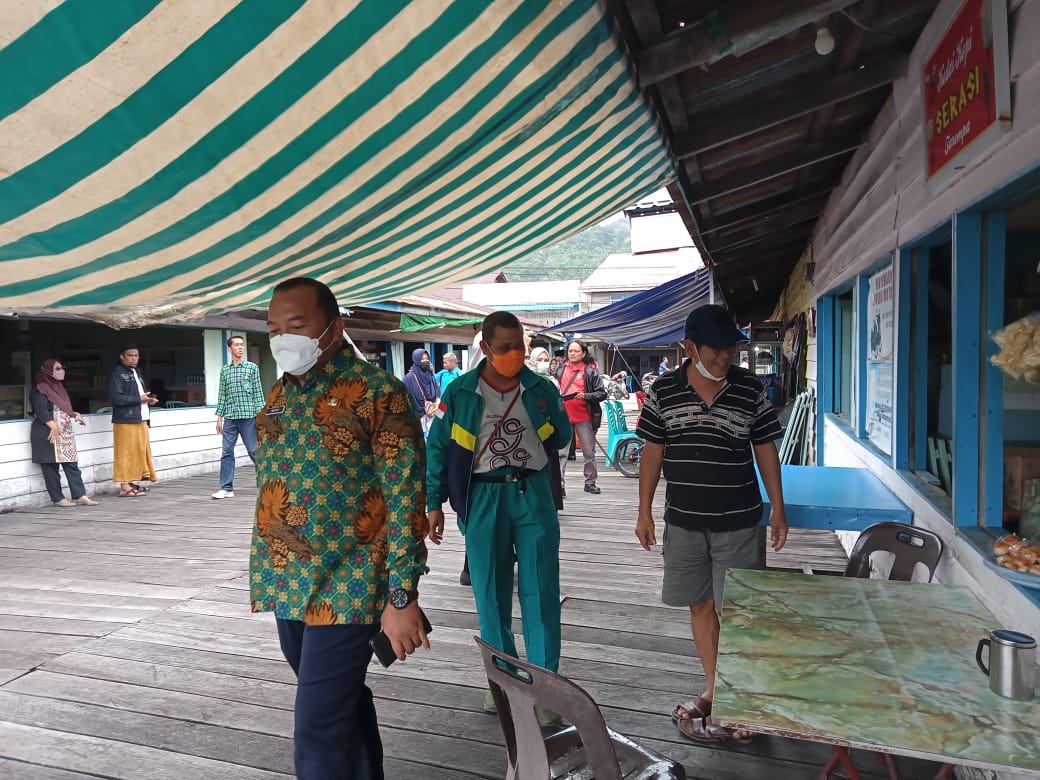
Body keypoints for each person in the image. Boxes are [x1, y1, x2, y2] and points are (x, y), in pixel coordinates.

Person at [250, 277, 430, 780]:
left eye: (296, 325)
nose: (283, 338)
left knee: (317, 726)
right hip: (287, 580)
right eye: (273, 329)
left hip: (351, 583)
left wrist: (402, 596)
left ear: (332, 327)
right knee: (340, 704)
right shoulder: (279, 393)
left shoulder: (380, 394)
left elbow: (405, 500)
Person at [634, 304, 787, 744]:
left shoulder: (750, 388)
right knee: (700, 606)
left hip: (738, 520)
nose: (726, 356)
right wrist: (644, 511)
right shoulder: (664, 390)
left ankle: (744, 700)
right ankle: (718, 691)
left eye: (731, 348)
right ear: (690, 348)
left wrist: (778, 507)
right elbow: (652, 453)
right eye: (716, 349)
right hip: (684, 521)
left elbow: (765, 448)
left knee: (740, 614)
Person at [425, 311, 571, 724]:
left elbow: (562, 436)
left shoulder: (541, 388)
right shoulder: (460, 393)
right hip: (482, 497)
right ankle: (505, 687)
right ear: (486, 348)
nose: (513, 354)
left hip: (532, 493)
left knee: (541, 592)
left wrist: (543, 417)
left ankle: (545, 691)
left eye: (519, 346)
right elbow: (437, 448)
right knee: (490, 594)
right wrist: (434, 502)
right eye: (504, 347)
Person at [30, 359, 97, 507]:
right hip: (48, 431)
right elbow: (41, 410)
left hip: (64, 432)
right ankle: (58, 498)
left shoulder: (59, 388)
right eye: (58, 368)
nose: (62, 371)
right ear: (48, 371)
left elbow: (62, 407)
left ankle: (80, 495)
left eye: (62, 368)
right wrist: (53, 427)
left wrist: (74, 414)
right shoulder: (39, 389)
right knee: (51, 467)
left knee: (71, 463)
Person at [212, 335, 265, 499]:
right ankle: (226, 488)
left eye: (242, 345)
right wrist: (219, 417)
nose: (240, 348)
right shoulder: (225, 371)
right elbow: (222, 394)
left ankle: (267, 483)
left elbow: (258, 393)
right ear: (229, 348)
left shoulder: (252, 368)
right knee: (227, 452)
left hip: (249, 416)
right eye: (236, 345)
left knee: (253, 451)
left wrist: (261, 416)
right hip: (230, 418)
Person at [553, 340, 607, 495]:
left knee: (589, 452)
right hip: (563, 417)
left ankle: (590, 482)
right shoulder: (560, 369)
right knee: (561, 453)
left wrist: (585, 396)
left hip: (585, 417)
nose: (573, 353)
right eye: (570, 351)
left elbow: (602, 393)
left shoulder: (590, 371)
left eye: (576, 351)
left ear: (583, 353)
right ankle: (559, 485)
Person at [109, 345, 158, 497]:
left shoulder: (138, 372)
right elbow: (116, 398)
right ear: (122, 356)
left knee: (138, 451)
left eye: (136, 355)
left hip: (140, 417)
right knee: (126, 452)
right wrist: (139, 399)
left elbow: (140, 396)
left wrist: (148, 400)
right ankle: (124, 486)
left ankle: (130, 482)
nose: (134, 358)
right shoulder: (117, 373)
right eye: (130, 355)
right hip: (125, 419)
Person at [402, 348, 439, 438]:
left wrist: (438, 410)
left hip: (434, 420)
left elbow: (438, 396)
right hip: (417, 422)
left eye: (427, 359)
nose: (425, 361)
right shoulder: (408, 379)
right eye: (422, 359)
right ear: (416, 360)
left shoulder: (431, 376)